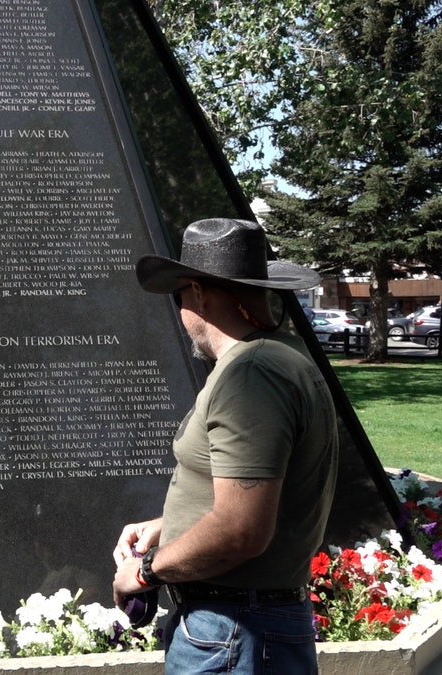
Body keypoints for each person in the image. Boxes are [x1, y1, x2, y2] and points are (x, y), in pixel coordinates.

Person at [112, 218, 338, 674]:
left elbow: (241, 530)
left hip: (233, 632)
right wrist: (168, 524)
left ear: (198, 293)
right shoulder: (279, 358)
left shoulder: (252, 374)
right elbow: (258, 492)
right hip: (246, 630)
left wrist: (145, 570)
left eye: (178, 297)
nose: (180, 311)